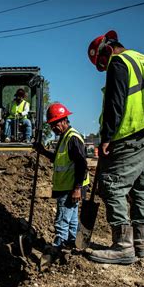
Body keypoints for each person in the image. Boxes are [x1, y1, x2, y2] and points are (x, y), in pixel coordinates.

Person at [87, 30, 144, 264]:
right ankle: (140, 245)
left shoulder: (120, 62)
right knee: (141, 187)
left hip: (134, 133)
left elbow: (116, 100)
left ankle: (123, 246)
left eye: (102, 63)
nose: (104, 68)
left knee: (111, 184)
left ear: (107, 49)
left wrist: (106, 136)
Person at [35, 103, 89, 252]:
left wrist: (77, 188)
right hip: (68, 187)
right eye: (51, 125)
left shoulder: (72, 138)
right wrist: (43, 151)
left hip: (71, 187)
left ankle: (57, 248)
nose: (53, 128)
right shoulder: (64, 138)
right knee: (71, 219)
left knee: (62, 220)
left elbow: (82, 164)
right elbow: (58, 159)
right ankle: (72, 244)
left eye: (55, 123)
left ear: (64, 120)